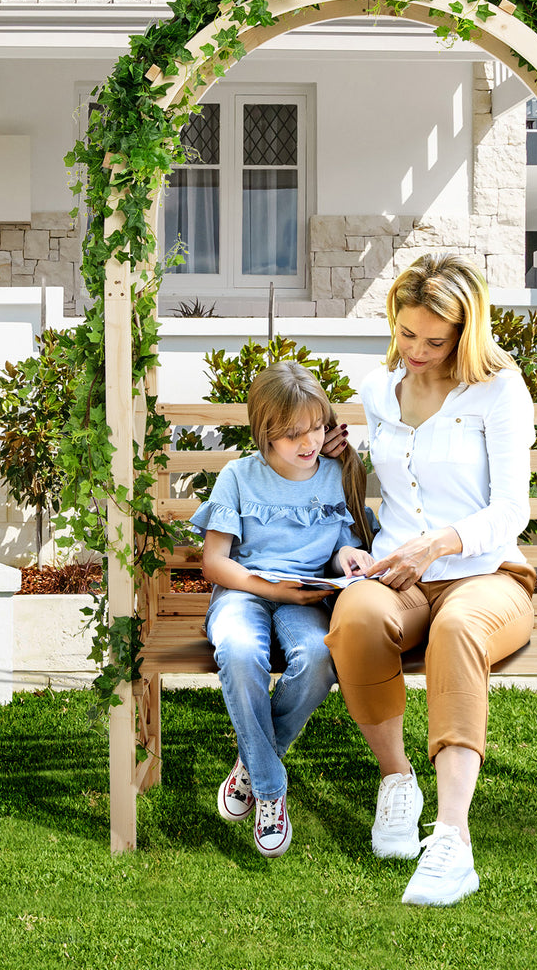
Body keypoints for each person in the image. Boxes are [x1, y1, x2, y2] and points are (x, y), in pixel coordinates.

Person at [323, 252, 536, 906]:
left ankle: (452, 839)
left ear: (465, 335)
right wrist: (341, 464)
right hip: (399, 572)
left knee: (457, 629)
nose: (416, 352)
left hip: (486, 573)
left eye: (435, 341)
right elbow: (395, 480)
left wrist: (438, 544)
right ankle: (398, 781)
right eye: (406, 333)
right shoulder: (378, 389)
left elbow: (513, 510)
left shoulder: (499, 391)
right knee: (356, 618)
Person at [191, 360, 373, 858]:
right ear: (265, 432)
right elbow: (214, 563)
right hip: (244, 591)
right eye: (293, 434)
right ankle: (270, 789)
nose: (308, 442)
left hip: (307, 594)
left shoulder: (335, 476)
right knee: (238, 650)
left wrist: (347, 555)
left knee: (319, 655)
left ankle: (250, 764)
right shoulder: (239, 476)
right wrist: (275, 591)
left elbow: (340, 544)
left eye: (315, 427)